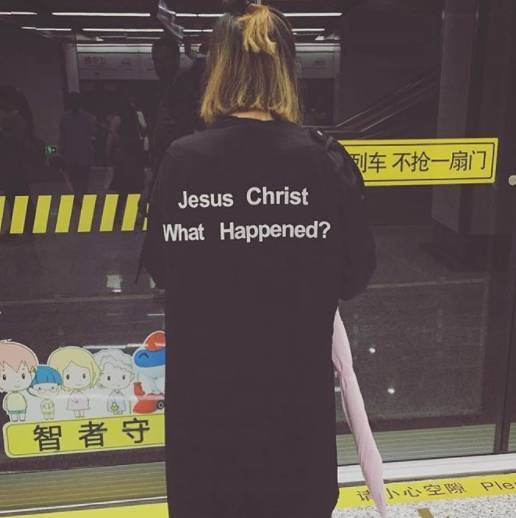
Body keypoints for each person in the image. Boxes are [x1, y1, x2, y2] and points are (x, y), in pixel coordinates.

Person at [141, 1, 377, 517]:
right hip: (294, 412)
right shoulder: (324, 160)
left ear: (217, 70)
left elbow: (161, 265)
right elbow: (356, 275)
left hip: (207, 414)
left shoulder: (182, 161)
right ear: (287, 70)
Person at [58, 92, 96, 200]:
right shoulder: (88, 117)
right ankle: (81, 195)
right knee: (82, 178)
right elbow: (93, 132)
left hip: (72, 152)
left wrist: (61, 150)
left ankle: (79, 196)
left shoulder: (65, 118)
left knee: (76, 178)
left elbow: (62, 137)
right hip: (83, 152)